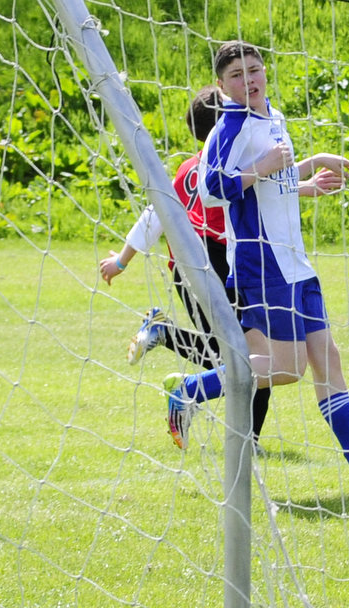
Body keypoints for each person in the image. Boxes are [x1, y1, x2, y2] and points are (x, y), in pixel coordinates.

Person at [165, 41, 349, 487]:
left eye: (254, 69)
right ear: (223, 85)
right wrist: (264, 166)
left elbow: (272, 181)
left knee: (328, 358)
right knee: (285, 369)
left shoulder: (272, 116)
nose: (249, 80)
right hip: (262, 262)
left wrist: (309, 169)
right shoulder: (228, 126)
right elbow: (209, 190)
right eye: (236, 75)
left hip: (294, 261)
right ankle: (188, 391)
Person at [99, 86, 271, 444]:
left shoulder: (188, 167)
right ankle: (240, 434)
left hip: (190, 270)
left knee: (239, 354)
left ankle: (246, 438)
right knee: (247, 355)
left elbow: (155, 215)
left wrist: (122, 260)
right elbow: (157, 214)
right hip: (215, 264)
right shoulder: (227, 168)